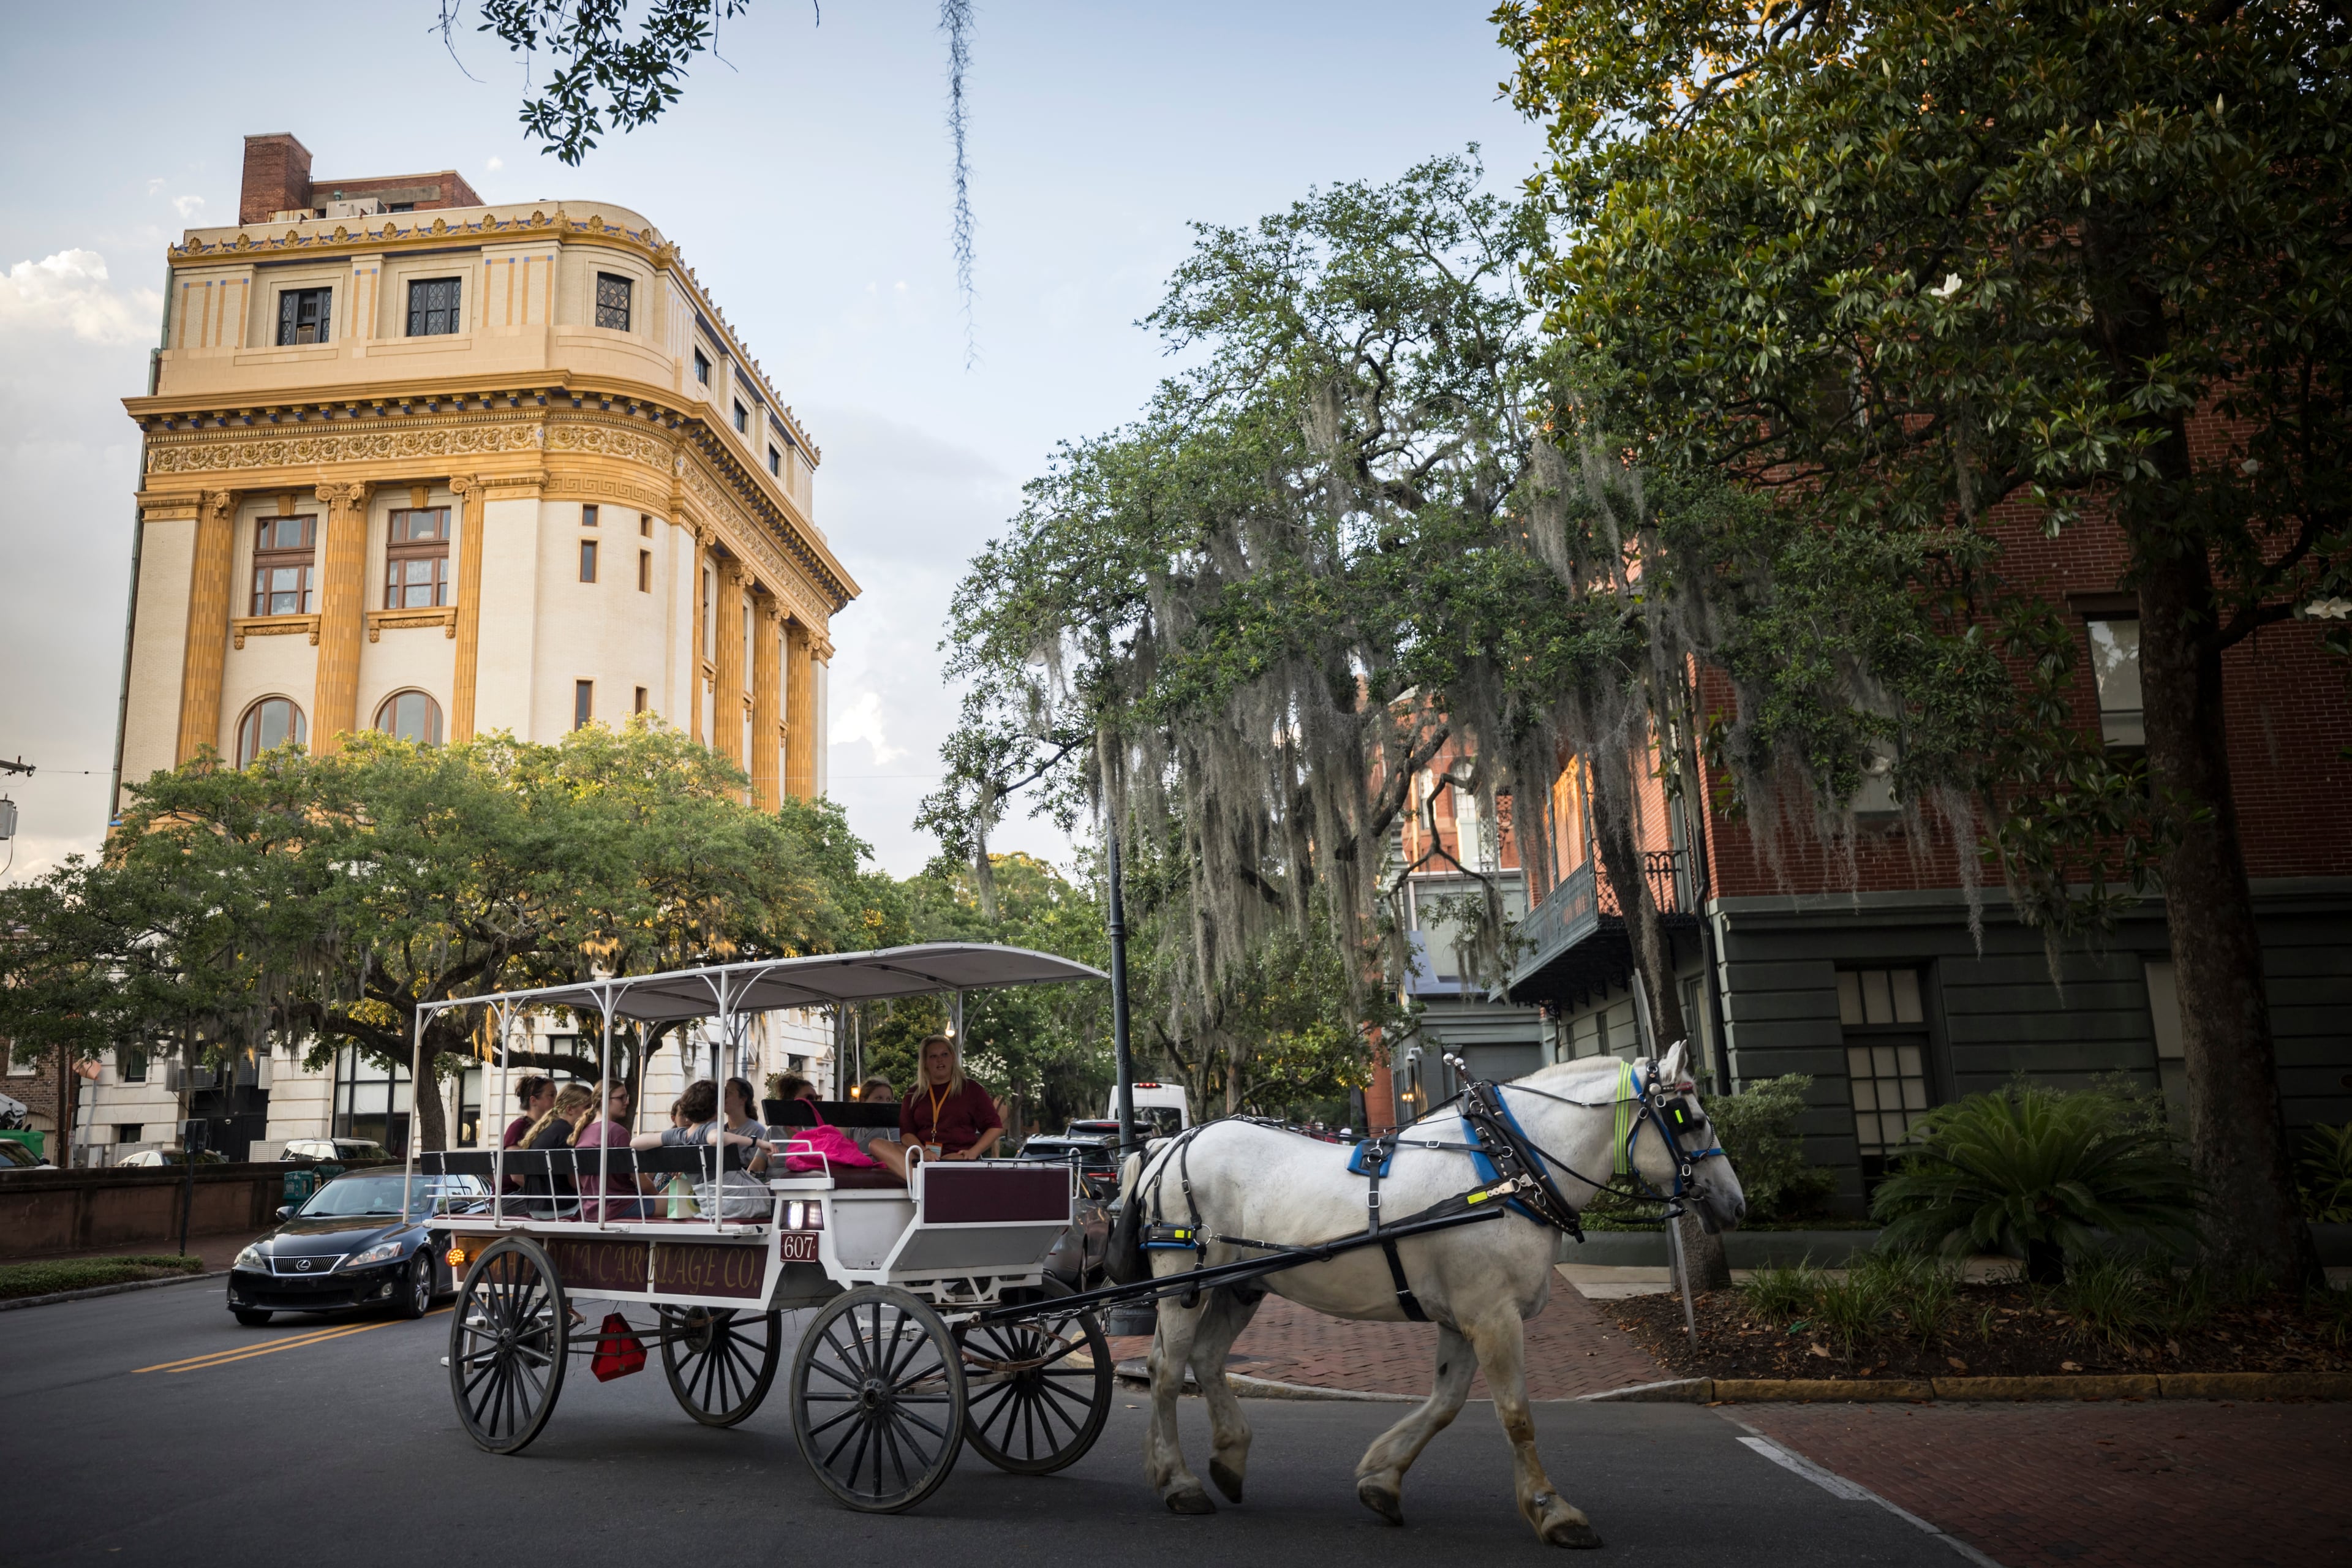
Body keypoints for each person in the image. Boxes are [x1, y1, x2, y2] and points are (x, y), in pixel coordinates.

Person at [871, 1035, 1001, 1180]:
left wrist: (973, 1152)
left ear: (952, 1058)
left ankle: (922, 1183)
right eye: (933, 1056)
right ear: (925, 1063)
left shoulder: (971, 1089)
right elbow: (906, 1134)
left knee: (949, 1162)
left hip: (955, 1155)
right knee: (876, 1144)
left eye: (944, 1054)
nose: (940, 1060)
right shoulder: (914, 1093)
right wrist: (924, 1151)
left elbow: (995, 1127)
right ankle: (921, 1183)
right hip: (921, 1154)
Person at [571, 1082, 645, 1221]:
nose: (627, 1102)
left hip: (590, 1207)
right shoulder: (617, 1132)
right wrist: (657, 1195)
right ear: (604, 1101)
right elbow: (640, 1181)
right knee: (678, 1204)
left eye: (627, 1097)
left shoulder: (583, 1132)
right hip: (620, 1205)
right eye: (621, 1098)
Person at [519, 1083, 595, 1214]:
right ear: (570, 1109)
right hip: (561, 1207)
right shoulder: (568, 1134)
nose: (593, 1112)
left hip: (535, 1207)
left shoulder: (545, 1129)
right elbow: (575, 1183)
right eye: (587, 1107)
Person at [502, 1076, 554, 1192]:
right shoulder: (518, 1128)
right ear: (533, 1100)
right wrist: (548, 1192)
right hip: (511, 1197)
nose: (556, 1100)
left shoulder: (547, 1127)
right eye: (551, 1095)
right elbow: (516, 1176)